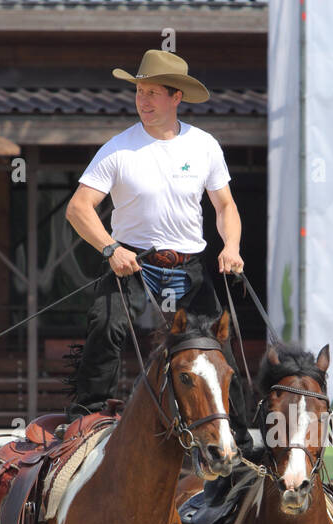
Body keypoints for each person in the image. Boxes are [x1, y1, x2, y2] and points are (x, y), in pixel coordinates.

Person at [64, 50, 245, 420]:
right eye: (139, 92)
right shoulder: (117, 149)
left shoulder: (204, 145)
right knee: (105, 325)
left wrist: (232, 247)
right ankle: (86, 416)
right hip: (131, 262)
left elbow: (225, 206)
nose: (142, 101)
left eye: (151, 93)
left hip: (189, 266)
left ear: (176, 97)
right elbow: (78, 208)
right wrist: (110, 247)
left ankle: (239, 438)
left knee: (217, 342)